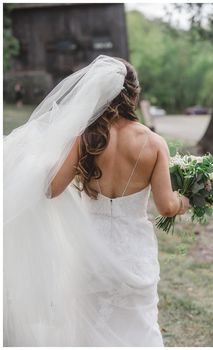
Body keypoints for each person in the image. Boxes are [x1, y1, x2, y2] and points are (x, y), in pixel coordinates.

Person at [4, 55, 190, 346]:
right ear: (134, 94)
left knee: (88, 327)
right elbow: (167, 206)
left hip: (90, 250)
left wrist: (37, 163)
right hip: (133, 250)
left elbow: (51, 189)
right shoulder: (154, 143)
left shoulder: (85, 139)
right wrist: (185, 201)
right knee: (139, 323)